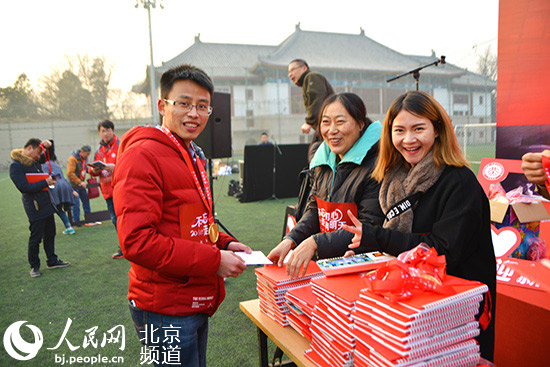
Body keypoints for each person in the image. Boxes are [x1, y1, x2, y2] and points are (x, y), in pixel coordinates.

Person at [112, 64, 252, 367]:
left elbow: (192, 222)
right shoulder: (143, 155)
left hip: (191, 298)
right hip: (163, 308)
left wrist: (225, 244)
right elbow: (137, 242)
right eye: (184, 103)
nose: (194, 114)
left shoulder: (189, 153)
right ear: (163, 106)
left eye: (202, 106)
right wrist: (215, 261)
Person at [341, 91, 496, 361]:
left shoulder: (459, 182)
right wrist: (368, 253)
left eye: (418, 128)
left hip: (456, 314)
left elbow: (441, 252)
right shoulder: (393, 178)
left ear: (437, 130)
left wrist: (377, 238)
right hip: (414, 305)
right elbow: (394, 236)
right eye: (399, 130)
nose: (408, 139)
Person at [267, 93, 384, 278]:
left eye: (340, 122)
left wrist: (316, 242)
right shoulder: (322, 161)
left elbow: (369, 226)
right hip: (327, 265)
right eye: (326, 122)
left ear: (360, 124)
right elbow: (315, 210)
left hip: (362, 266)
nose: (331, 130)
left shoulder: (377, 166)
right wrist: (290, 240)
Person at [10, 138, 71, 277]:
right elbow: (24, 187)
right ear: (29, 148)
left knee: (50, 233)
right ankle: (34, 266)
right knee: (36, 237)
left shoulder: (33, 160)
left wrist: (49, 144)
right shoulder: (16, 166)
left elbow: (48, 154)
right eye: (38, 152)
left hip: (46, 203)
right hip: (34, 206)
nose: (39, 156)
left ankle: (52, 260)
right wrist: (45, 182)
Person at [288, 59, 334, 159]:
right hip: (323, 126)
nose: (290, 75)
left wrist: (309, 122)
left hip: (328, 125)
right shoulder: (307, 81)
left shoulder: (312, 76)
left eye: (292, 70)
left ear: (304, 68)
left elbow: (317, 98)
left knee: (316, 155)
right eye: (288, 72)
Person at [88, 120, 122, 259]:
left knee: (126, 219)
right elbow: (92, 171)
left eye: (108, 130)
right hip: (108, 191)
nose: (106, 133)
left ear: (113, 130)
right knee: (115, 220)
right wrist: (93, 169)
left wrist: (115, 167)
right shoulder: (99, 151)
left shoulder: (120, 145)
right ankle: (123, 247)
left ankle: (132, 245)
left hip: (122, 188)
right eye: (103, 131)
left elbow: (130, 164)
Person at [42, 153, 77, 235]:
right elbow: (62, 177)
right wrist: (71, 190)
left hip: (54, 187)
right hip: (63, 185)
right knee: (59, 209)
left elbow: (46, 177)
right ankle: (69, 227)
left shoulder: (44, 165)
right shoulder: (55, 164)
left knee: (54, 208)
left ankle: (46, 231)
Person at [67, 145, 92, 224]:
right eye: (87, 154)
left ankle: (88, 219)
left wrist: (93, 169)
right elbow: (70, 173)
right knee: (75, 203)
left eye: (89, 154)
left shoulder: (84, 159)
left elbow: (85, 169)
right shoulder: (73, 159)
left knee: (86, 200)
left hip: (81, 183)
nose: (87, 156)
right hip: (74, 184)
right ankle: (76, 221)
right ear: (82, 152)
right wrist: (80, 182)